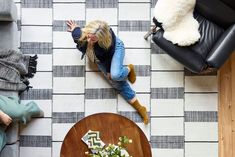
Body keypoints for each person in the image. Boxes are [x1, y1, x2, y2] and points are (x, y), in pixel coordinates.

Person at [66, 20, 149, 124]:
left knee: (114, 75)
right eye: (88, 35)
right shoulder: (84, 34)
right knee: (116, 83)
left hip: (115, 50)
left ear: (101, 38)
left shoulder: (105, 44)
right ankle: (140, 108)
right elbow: (77, 35)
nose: (89, 39)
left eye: (93, 38)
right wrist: (75, 29)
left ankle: (128, 69)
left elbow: (107, 58)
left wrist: (109, 70)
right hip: (98, 58)